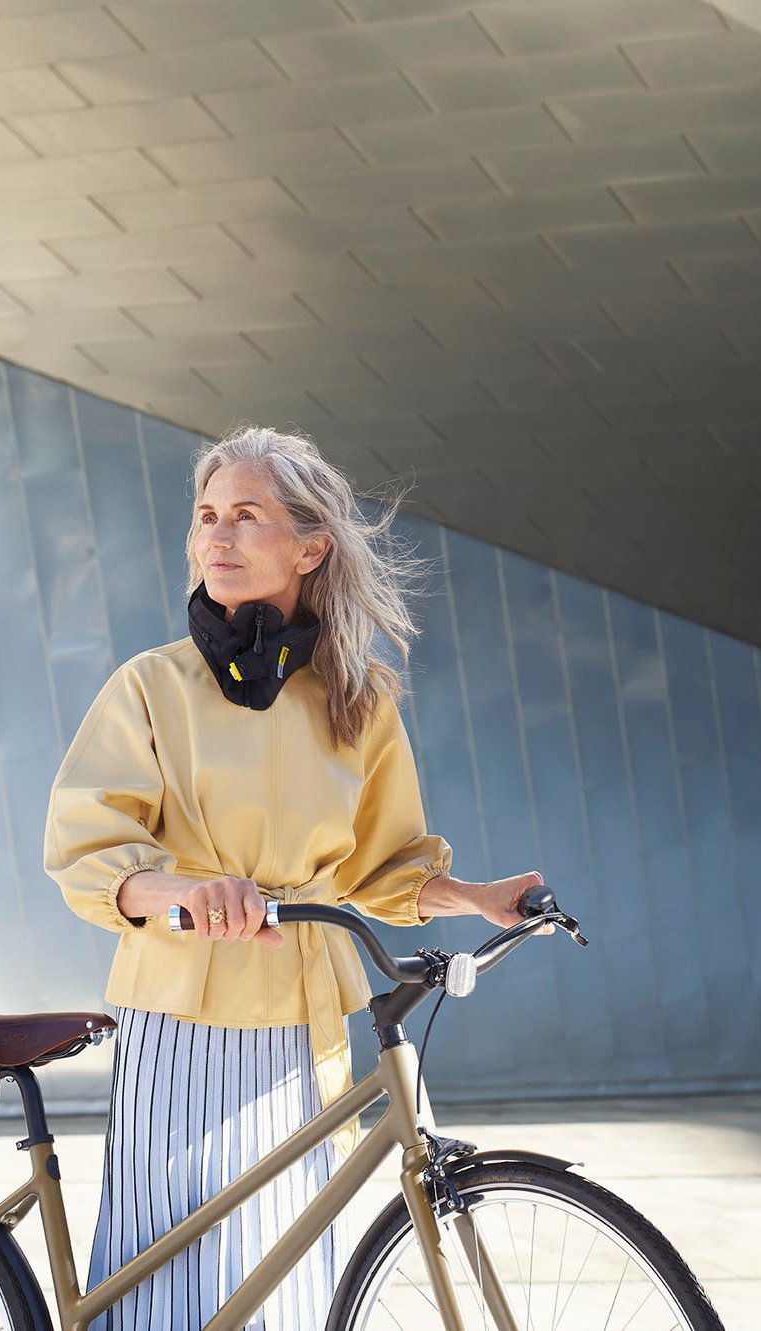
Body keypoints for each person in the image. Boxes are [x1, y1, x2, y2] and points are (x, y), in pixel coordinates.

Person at [44, 424, 545, 1331]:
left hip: (307, 1014)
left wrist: (471, 898)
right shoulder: (150, 686)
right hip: (184, 1008)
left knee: (282, 1279)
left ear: (310, 547)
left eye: (246, 515)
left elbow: (381, 866)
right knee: (174, 1284)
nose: (219, 536)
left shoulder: (358, 698)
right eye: (207, 516)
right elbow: (90, 851)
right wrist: (187, 892)